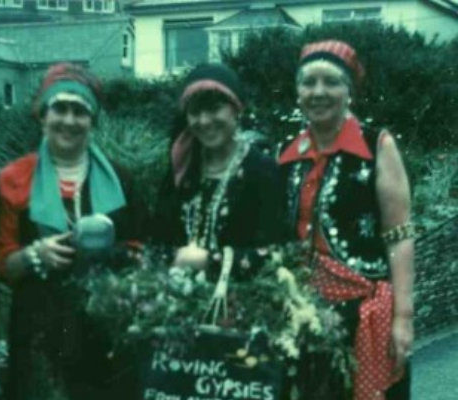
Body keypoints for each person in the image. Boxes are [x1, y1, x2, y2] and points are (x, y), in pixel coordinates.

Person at [0, 63, 144, 400]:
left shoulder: (121, 181)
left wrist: (117, 256)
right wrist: (37, 254)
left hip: (104, 332)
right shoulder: (15, 178)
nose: (69, 120)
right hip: (37, 333)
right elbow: (3, 263)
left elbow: (139, 249)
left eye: (80, 111)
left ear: (92, 121)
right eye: (59, 108)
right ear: (42, 114)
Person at [278, 40, 414, 399]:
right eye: (309, 83)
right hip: (303, 314)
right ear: (297, 92)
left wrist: (403, 318)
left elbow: (399, 234)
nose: (318, 92)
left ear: (349, 91)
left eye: (331, 82)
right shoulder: (287, 154)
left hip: (363, 313)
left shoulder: (377, 145)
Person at [153, 63, 286, 282]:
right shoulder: (182, 170)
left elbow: (275, 254)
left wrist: (208, 261)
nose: (204, 121)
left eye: (214, 109)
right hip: (177, 299)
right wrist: (176, 258)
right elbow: (157, 241)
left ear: (236, 109)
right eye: (195, 112)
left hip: (244, 301)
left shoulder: (262, 171)